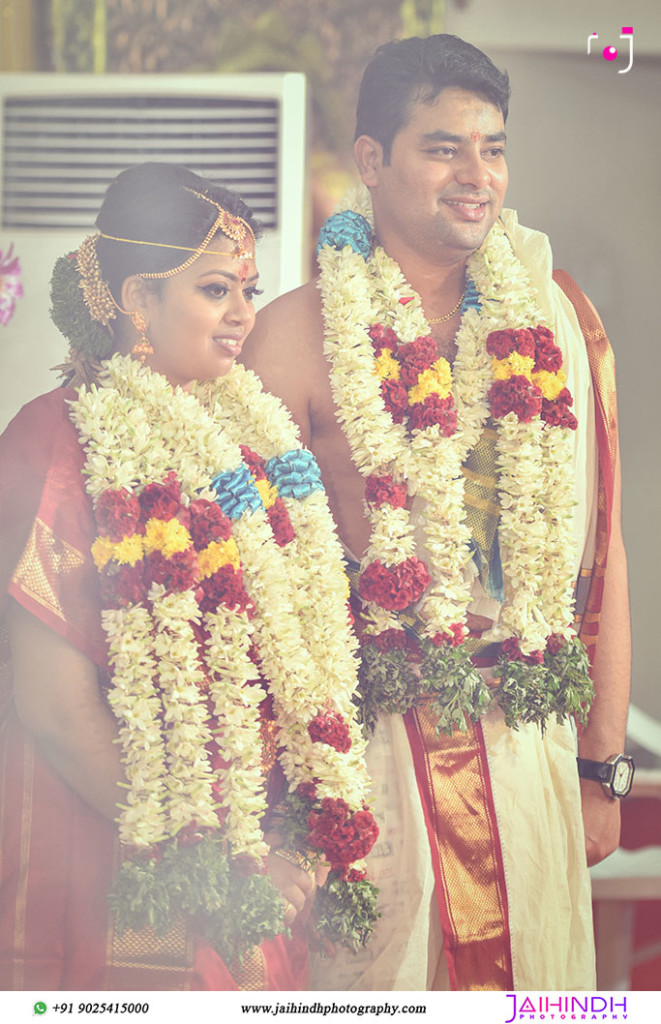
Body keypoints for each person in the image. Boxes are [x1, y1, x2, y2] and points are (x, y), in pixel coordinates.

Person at [242, 35, 632, 991]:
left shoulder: (553, 317)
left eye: (492, 147)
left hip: (528, 740)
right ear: (371, 161)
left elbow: (599, 551)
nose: (477, 176)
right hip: (373, 761)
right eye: (442, 147)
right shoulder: (290, 338)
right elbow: (256, 600)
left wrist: (600, 768)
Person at [0, 163, 379, 990]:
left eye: (248, 287)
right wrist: (212, 861)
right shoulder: (52, 443)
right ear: (138, 300)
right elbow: (53, 708)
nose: (246, 314)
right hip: (114, 865)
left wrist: (298, 840)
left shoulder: (248, 447)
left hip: (253, 871)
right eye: (216, 290)